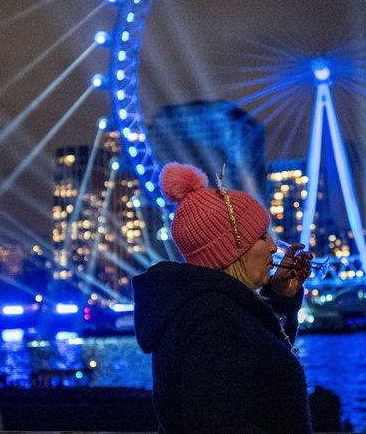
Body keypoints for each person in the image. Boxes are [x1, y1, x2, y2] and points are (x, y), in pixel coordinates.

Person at [133, 163, 314, 433]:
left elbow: (258, 379)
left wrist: (280, 301)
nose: (274, 247)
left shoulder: (212, 308)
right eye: (262, 237)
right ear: (234, 247)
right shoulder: (213, 319)